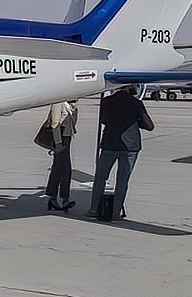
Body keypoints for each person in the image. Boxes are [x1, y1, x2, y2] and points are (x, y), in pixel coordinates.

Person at [85, 86, 154, 221]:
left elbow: (103, 120)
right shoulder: (136, 103)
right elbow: (149, 125)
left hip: (109, 143)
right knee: (122, 180)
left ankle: (93, 208)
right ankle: (116, 211)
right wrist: (134, 122)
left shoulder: (107, 102)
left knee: (100, 178)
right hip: (130, 146)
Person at [43, 99, 78, 211]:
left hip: (67, 137)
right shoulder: (58, 103)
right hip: (60, 137)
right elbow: (55, 123)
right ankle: (61, 198)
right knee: (63, 168)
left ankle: (55, 197)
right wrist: (57, 143)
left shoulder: (72, 105)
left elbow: (73, 122)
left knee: (60, 167)